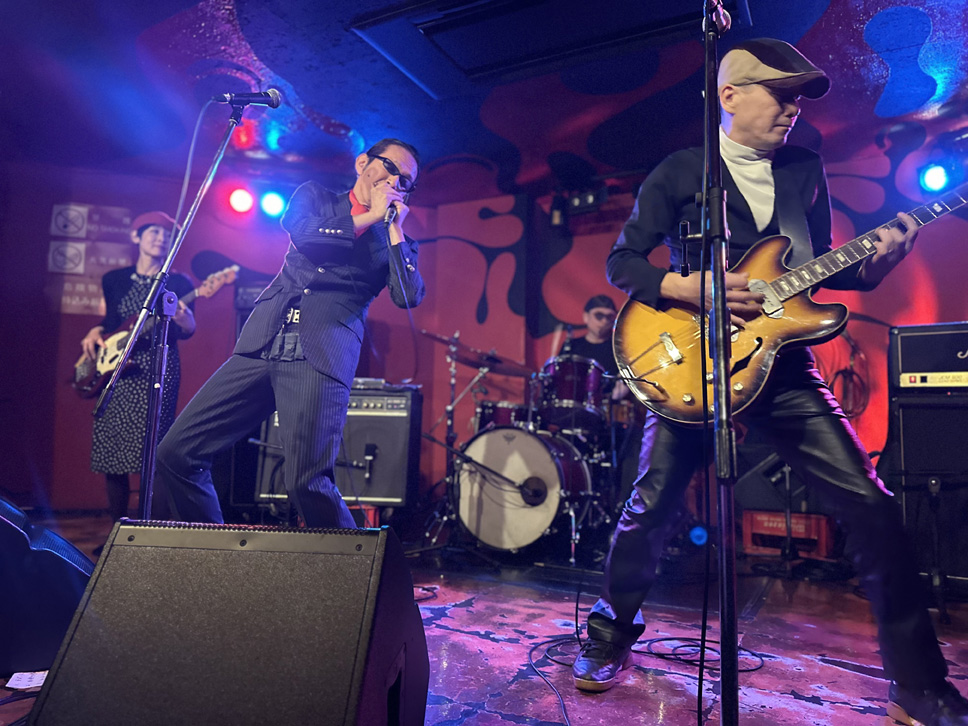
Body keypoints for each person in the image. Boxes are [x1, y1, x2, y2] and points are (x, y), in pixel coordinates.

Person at [572, 38, 968, 726]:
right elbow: (623, 261)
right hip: (693, 365)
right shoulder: (682, 170)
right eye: (780, 94)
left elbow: (818, 268)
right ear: (729, 96)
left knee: (873, 508)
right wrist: (686, 286)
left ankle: (919, 684)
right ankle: (609, 636)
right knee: (650, 508)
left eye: (798, 99)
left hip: (783, 367)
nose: (793, 109)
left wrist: (877, 264)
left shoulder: (804, 170)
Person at [155, 138, 425, 529]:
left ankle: (351, 568)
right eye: (391, 167)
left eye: (406, 181)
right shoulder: (315, 197)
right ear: (362, 163)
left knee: (307, 483)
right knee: (177, 452)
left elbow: (408, 295)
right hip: (263, 342)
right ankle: (210, 556)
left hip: (320, 355)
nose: (395, 181)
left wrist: (394, 227)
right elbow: (306, 235)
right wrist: (369, 217)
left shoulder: (395, 240)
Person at [80, 211, 196, 524]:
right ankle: (117, 530)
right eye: (154, 232)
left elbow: (188, 329)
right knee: (113, 451)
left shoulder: (180, 282)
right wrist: (95, 329)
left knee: (155, 451)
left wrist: (186, 319)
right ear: (136, 236)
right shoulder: (114, 279)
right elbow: (113, 322)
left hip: (157, 367)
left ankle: (150, 531)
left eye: (166, 235)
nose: (161, 238)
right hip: (119, 369)